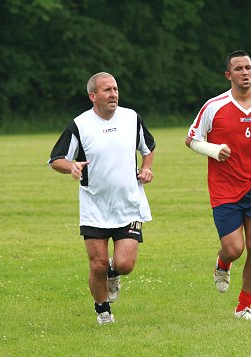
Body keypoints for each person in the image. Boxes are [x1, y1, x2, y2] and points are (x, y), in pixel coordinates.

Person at [185, 50, 251, 320]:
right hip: (224, 187)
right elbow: (192, 140)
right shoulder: (214, 106)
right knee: (234, 249)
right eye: (238, 68)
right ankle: (223, 263)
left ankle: (244, 306)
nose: (244, 72)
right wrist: (213, 149)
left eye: (248, 68)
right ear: (228, 75)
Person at [48, 72, 155, 324]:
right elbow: (56, 159)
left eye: (115, 89)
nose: (113, 94)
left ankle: (113, 271)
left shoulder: (131, 118)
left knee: (125, 264)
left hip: (129, 204)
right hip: (94, 206)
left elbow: (148, 148)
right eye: (107, 90)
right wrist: (71, 166)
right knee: (96, 264)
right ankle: (103, 310)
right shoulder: (80, 124)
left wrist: (147, 167)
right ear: (93, 96)